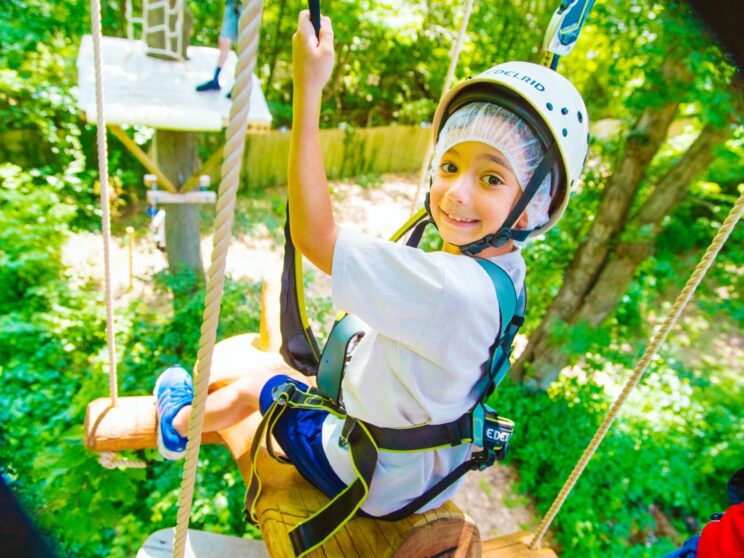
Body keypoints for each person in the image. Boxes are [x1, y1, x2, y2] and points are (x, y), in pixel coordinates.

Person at [156, 7, 589, 545]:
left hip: (369, 471)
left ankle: (174, 428)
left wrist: (308, 87)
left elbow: (316, 237)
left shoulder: (450, 290)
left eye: (492, 178)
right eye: (450, 166)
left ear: (532, 207)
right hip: (425, 465)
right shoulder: (505, 274)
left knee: (255, 385)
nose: (456, 192)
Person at [195, 0, 242, 93]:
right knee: (224, 41)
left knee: (243, 44)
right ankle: (215, 79)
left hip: (245, 6)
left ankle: (239, 84)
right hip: (232, 4)